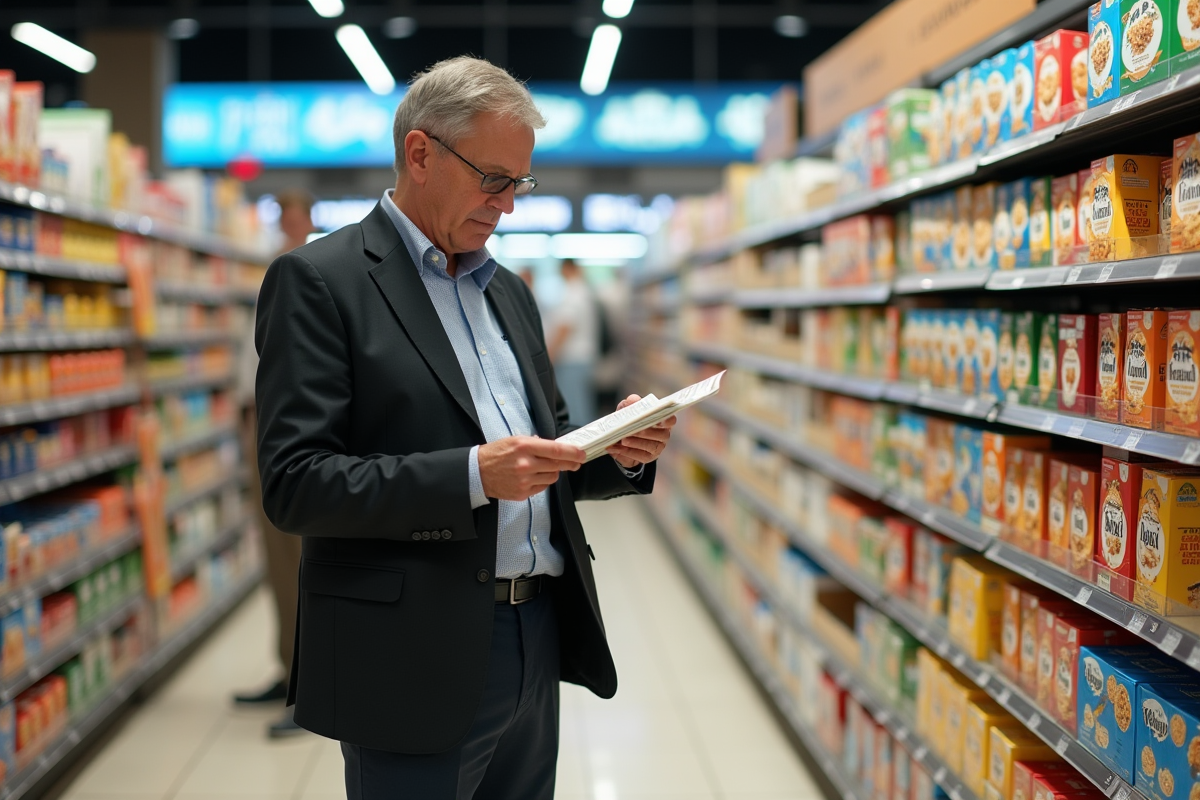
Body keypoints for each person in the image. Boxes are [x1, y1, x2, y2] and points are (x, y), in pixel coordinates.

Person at [254, 56, 675, 800]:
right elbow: (296, 484)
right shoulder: (322, 281)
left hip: (535, 636)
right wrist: (471, 476)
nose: (509, 205)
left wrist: (619, 449)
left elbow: (550, 446)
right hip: (412, 650)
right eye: (494, 179)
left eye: (520, 183)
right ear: (421, 153)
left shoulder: (508, 291)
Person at [231, 188, 313, 739]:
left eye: (290, 214)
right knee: (277, 560)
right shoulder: (276, 267)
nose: (283, 222)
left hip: (281, 427)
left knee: (298, 559)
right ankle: (288, 670)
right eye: (277, 214)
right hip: (256, 423)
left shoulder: (310, 271)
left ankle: (309, 687)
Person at [547, 258, 599, 426]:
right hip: (584, 359)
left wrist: (549, 357)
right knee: (582, 403)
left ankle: (581, 449)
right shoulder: (584, 292)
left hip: (572, 360)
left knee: (574, 409)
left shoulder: (572, 293)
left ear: (567, 269)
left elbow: (565, 328)